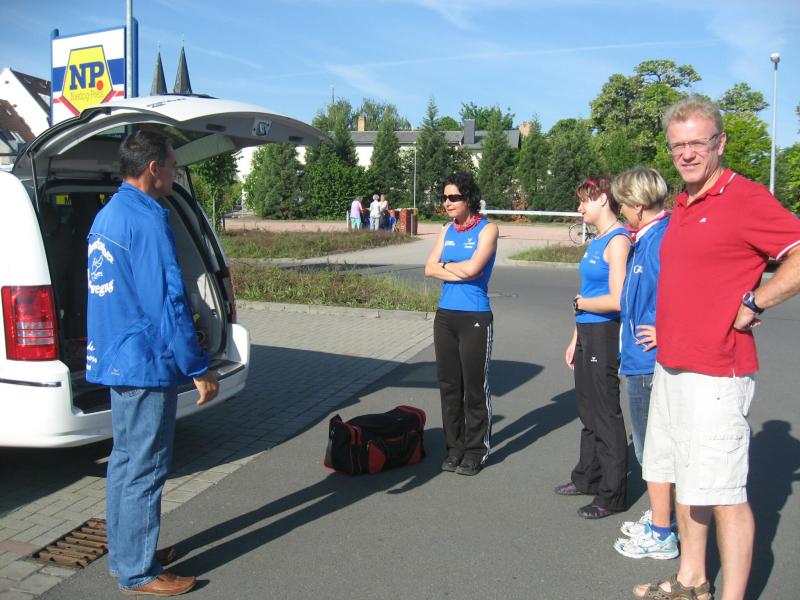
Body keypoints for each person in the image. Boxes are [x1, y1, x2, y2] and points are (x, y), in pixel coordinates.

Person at [632, 96, 800, 600]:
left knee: (725, 494)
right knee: (687, 481)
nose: (686, 153)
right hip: (673, 367)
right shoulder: (683, 203)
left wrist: (756, 300)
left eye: (697, 143)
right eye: (677, 145)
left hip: (717, 374)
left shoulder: (744, 198)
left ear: (720, 143)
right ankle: (692, 581)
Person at [86, 129, 219, 596]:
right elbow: (168, 302)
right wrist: (198, 367)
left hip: (118, 357)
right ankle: (138, 571)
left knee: (124, 463)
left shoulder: (109, 213)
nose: (175, 173)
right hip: (145, 361)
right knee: (146, 467)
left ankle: (126, 554)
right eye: (173, 165)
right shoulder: (146, 220)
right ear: (153, 168)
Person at [607, 167, 678, 560]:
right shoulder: (647, 238)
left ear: (636, 204)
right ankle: (660, 516)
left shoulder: (659, 240)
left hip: (648, 363)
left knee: (652, 452)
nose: (620, 210)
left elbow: (683, 291)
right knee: (652, 449)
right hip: (638, 359)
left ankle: (663, 532)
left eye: (622, 203)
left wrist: (667, 332)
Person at [557, 176, 631, 518]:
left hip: (604, 331)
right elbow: (584, 293)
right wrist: (575, 338)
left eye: (584, 200)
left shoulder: (618, 240)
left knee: (605, 412)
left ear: (603, 199)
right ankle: (587, 476)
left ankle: (612, 494)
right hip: (587, 331)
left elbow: (617, 299)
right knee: (587, 410)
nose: (579, 207)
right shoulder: (597, 240)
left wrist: (582, 305)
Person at [424, 172, 498, 476]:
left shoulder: (487, 229)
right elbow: (429, 268)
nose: (447, 202)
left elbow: (475, 269)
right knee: (449, 386)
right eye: (444, 197)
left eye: (453, 197)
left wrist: (447, 267)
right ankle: (454, 448)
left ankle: (476, 450)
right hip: (445, 316)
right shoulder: (447, 230)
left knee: (474, 386)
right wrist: (456, 268)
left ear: (468, 198)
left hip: (475, 316)